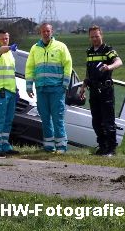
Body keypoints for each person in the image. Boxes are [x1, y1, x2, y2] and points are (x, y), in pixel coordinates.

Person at [25, 23, 72, 153]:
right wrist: (29, 86)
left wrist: (65, 84)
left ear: (52, 32)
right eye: (43, 31)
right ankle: (49, 145)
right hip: (41, 89)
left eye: (48, 31)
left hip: (57, 88)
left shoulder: (61, 47)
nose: (46, 33)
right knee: (45, 118)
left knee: (57, 118)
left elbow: (68, 65)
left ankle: (61, 146)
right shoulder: (35, 48)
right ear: (40, 33)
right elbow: (29, 68)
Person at [79, 25, 123, 156]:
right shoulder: (89, 51)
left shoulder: (107, 49)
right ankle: (102, 146)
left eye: (97, 36)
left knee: (108, 121)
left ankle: (111, 149)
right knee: (96, 121)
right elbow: (89, 72)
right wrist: (83, 86)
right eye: (92, 37)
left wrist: (109, 67)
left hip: (105, 90)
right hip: (93, 90)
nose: (94, 39)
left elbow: (119, 62)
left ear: (101, 35)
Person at [0, 30, 19, 158]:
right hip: (0, 90)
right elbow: (0, 51)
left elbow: (11, 73)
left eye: (6, 38)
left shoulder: (10, 55)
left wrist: (16, 90)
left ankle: (5, 145)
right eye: (2, 39)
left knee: (8, 120)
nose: (5, 40)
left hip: (10, 91)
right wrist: (8, 48)